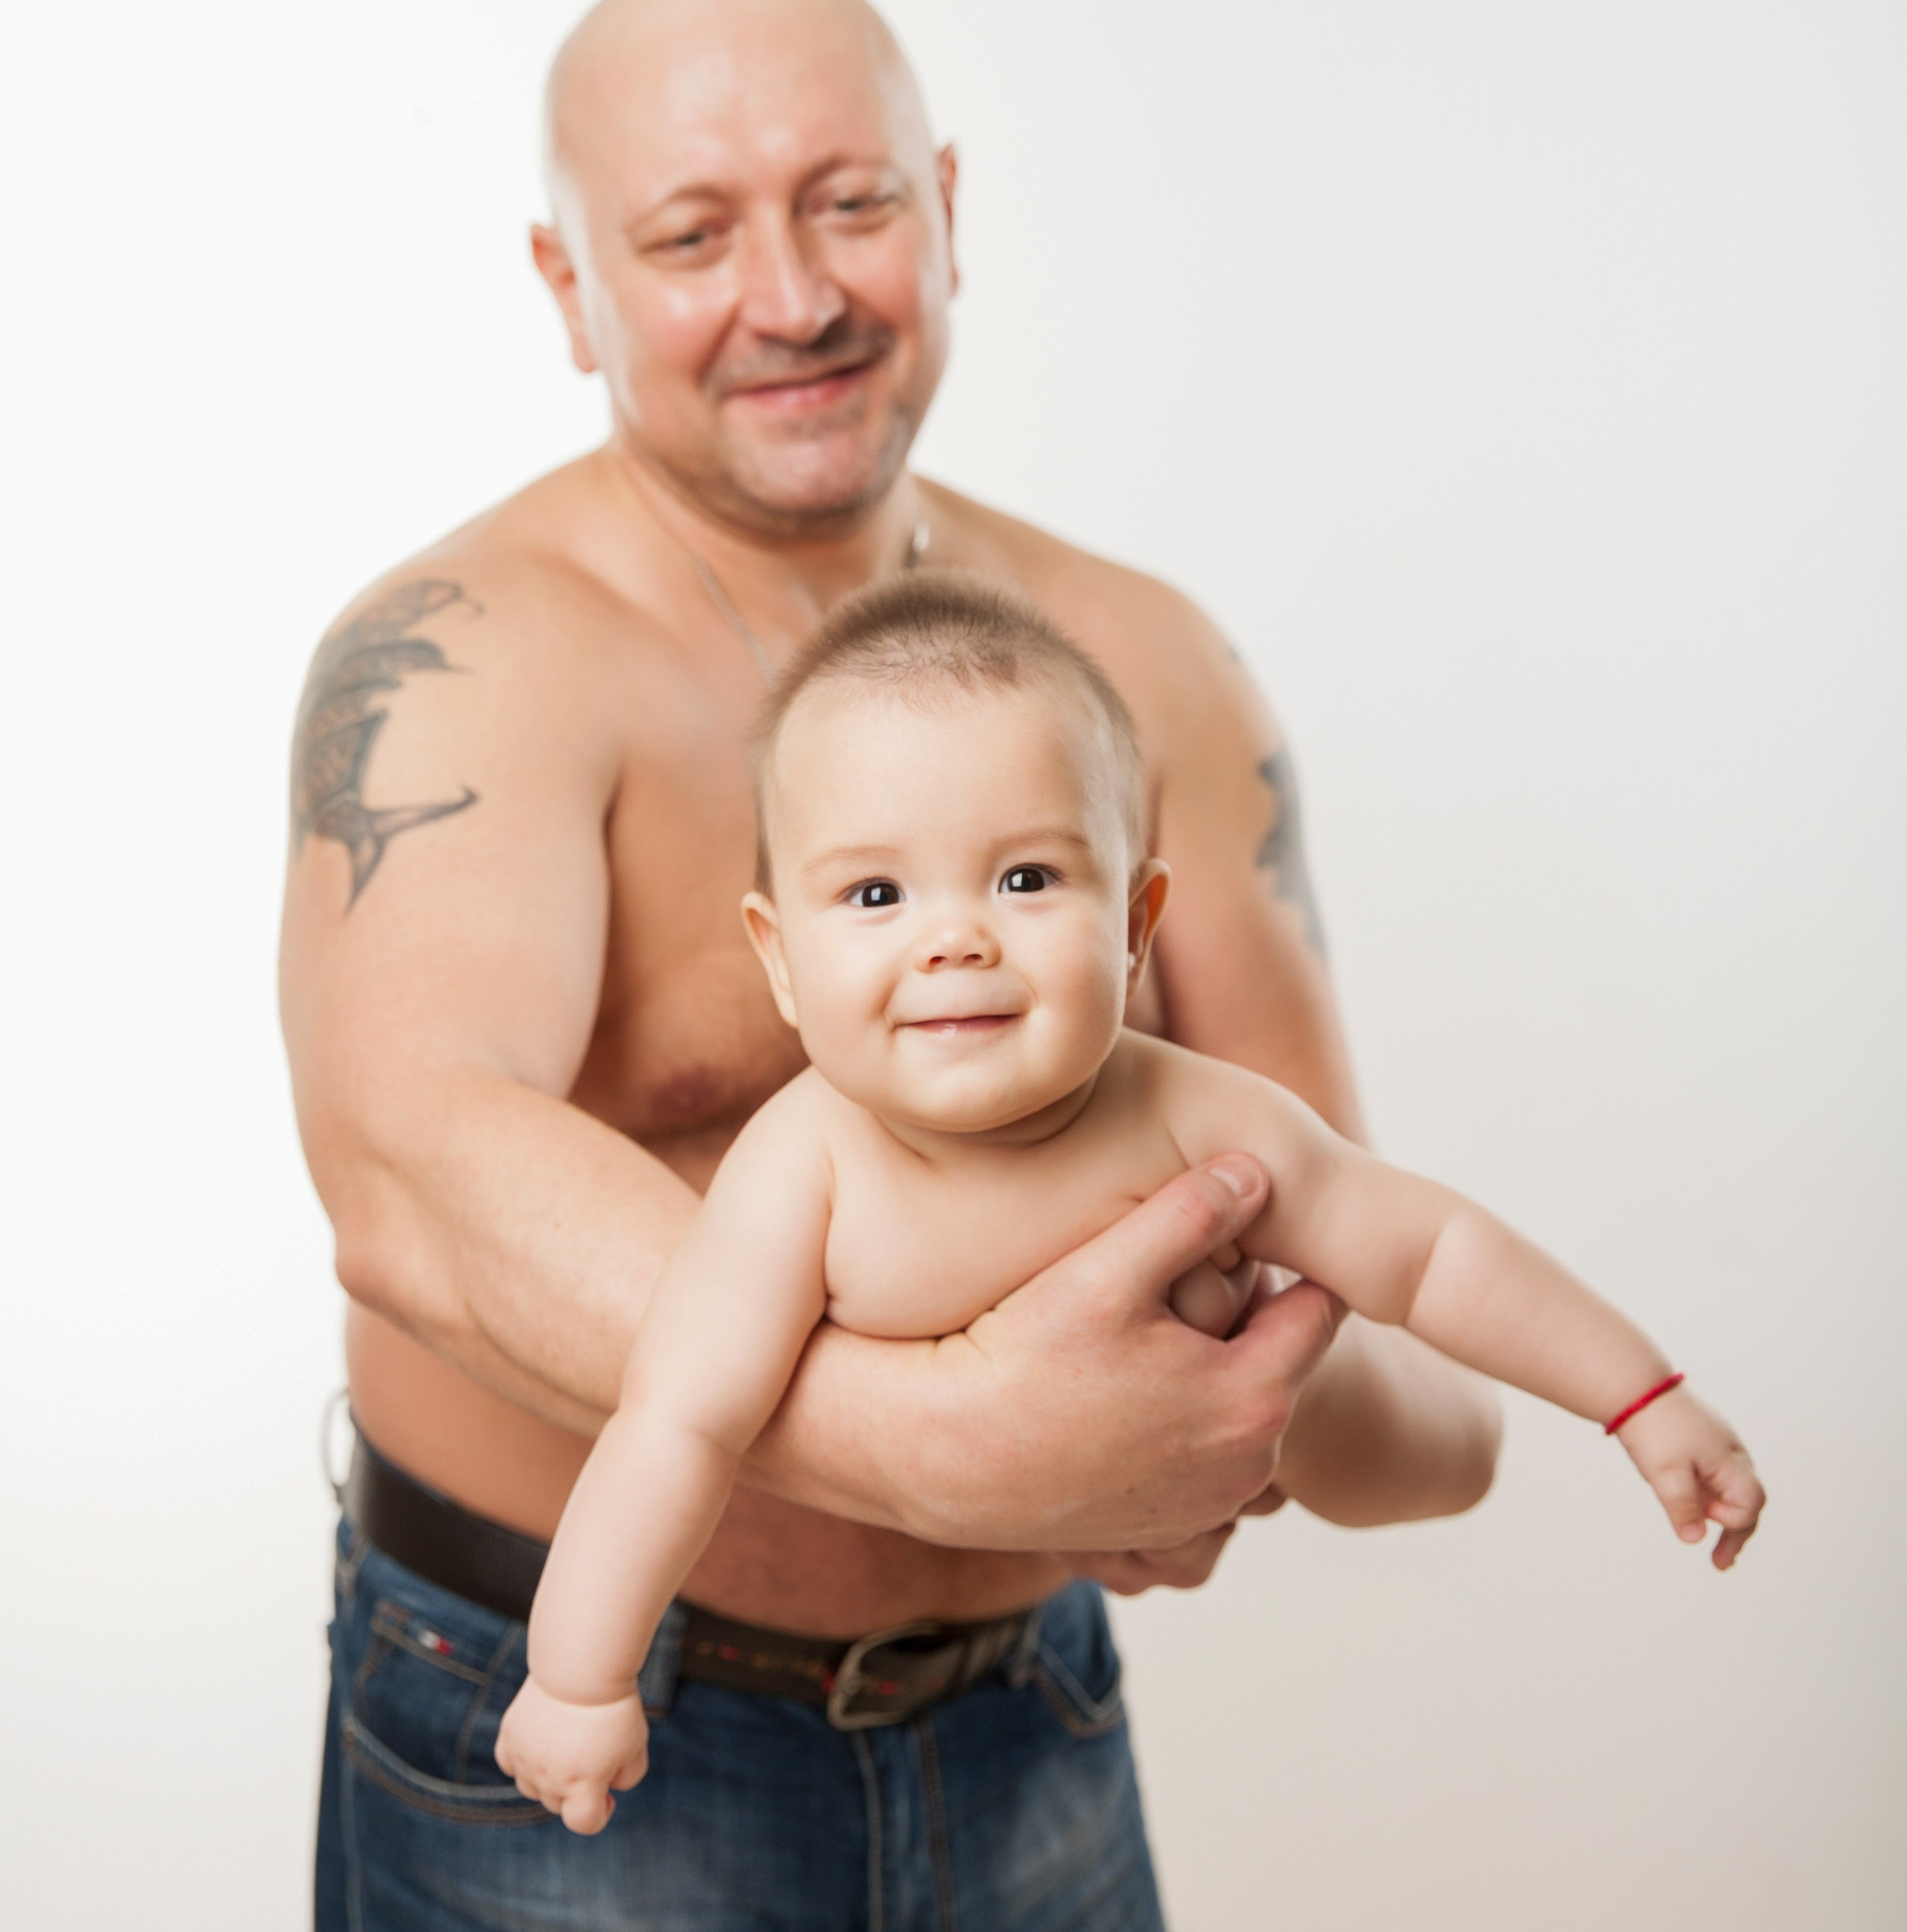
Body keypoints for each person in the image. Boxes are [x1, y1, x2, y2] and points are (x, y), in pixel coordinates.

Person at [282, 0, 1502, 1923]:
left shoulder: (1144, 659)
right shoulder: (471, 659)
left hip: (1032, 1724)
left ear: (943, 211)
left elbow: (1336, 1228)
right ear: (570, 283)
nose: (791, 297)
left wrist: (1223, 1429)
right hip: (575, 1753)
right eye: (690, 236)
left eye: (849, 205)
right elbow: (409, 1173)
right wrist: (948, 1445)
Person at [492, 573, 1764, 1834]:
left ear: (1139, 921)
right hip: (739, 1721)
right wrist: (578, 1673)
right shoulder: (803, 1171)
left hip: (1058, 1658)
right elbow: (676, 1422)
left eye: (1027, 880)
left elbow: (1431, 1255)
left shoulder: (1202, 1119)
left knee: (1360, 1437)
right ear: (779, 956)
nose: (955, 940)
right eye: (877, 894)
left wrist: (1638, 1395)